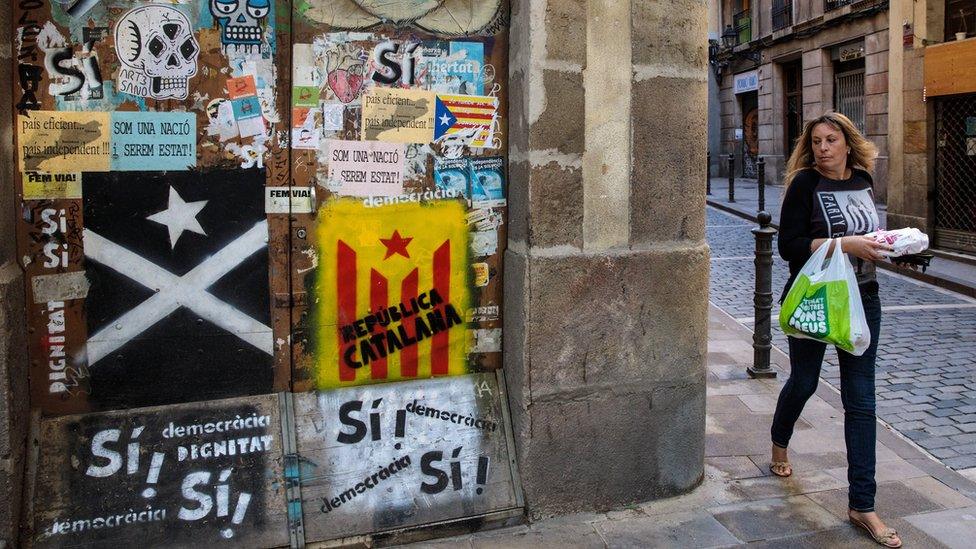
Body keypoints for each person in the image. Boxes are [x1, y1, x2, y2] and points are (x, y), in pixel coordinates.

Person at [770, 112, 901, 548]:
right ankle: (779, 443)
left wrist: (890, 247)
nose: (824, 147)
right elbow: (787, 245)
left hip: (863, 298)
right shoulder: (805, 184)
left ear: (848, 143)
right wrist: (843, 244)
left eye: (832, 139)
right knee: (804, 382)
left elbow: (868, 234)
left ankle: (862, 504)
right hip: (815, 299)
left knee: (861, 399)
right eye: (817, 141)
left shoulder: (862, 179)